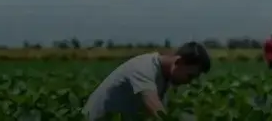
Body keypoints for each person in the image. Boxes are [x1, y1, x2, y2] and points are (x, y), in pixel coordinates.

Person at [83, 41, 211, 120]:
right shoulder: (145, 68)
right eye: (190, 76)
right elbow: (155, 109)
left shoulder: (164, 79)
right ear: (179, 61)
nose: (189, 82)